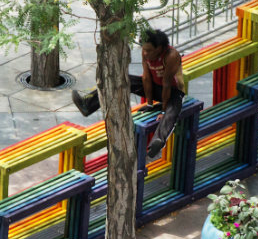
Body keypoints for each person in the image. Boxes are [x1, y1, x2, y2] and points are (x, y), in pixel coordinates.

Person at [72, 29, 186, 158]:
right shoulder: (146, 54)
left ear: (159, 48)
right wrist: (149, 103)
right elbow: (146, 78)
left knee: (173, 110)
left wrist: (163, 111)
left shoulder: (171, 55)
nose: (145, 53)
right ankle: (88, 105)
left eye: (149, 50)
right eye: (143, 49)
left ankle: (158, 141)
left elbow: (167, 84)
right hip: (155, 87)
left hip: (174, 91)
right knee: (121, 79)